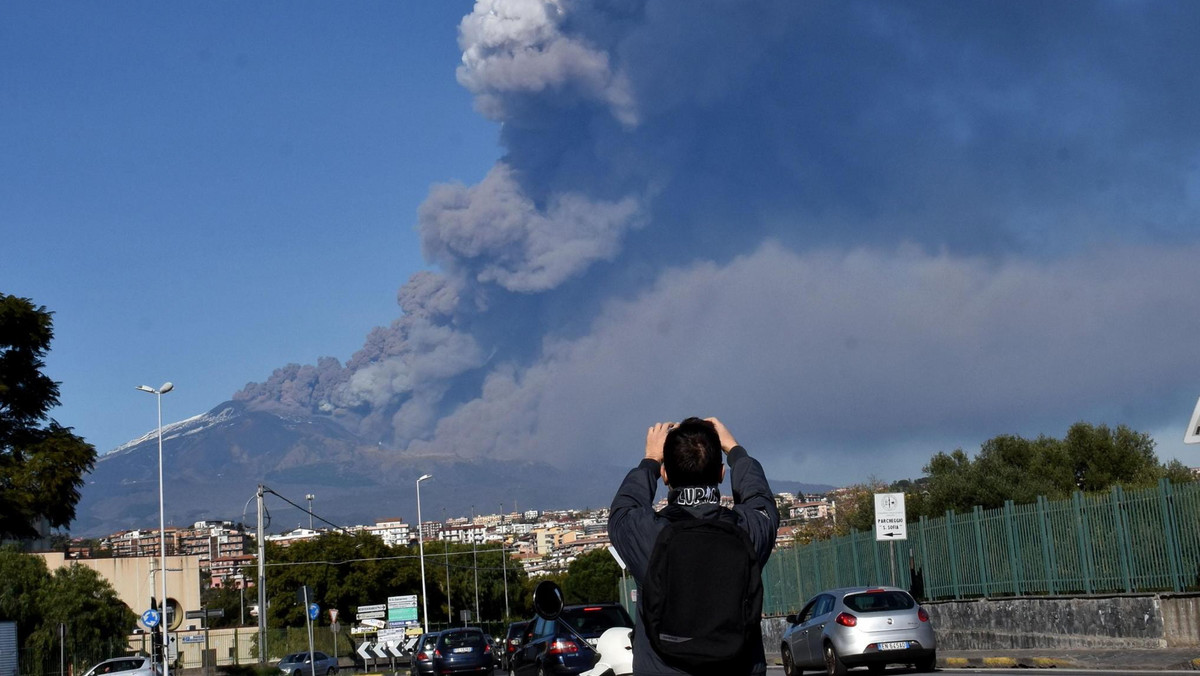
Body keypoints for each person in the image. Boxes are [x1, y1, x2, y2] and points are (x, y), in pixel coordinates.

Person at [609, 417, 779, 676]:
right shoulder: (748, 531)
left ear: (665, 476)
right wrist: (735, 450)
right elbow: (760, 501)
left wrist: (651, 460)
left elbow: (624, 510)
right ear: (722, 474)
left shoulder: (649, 537)